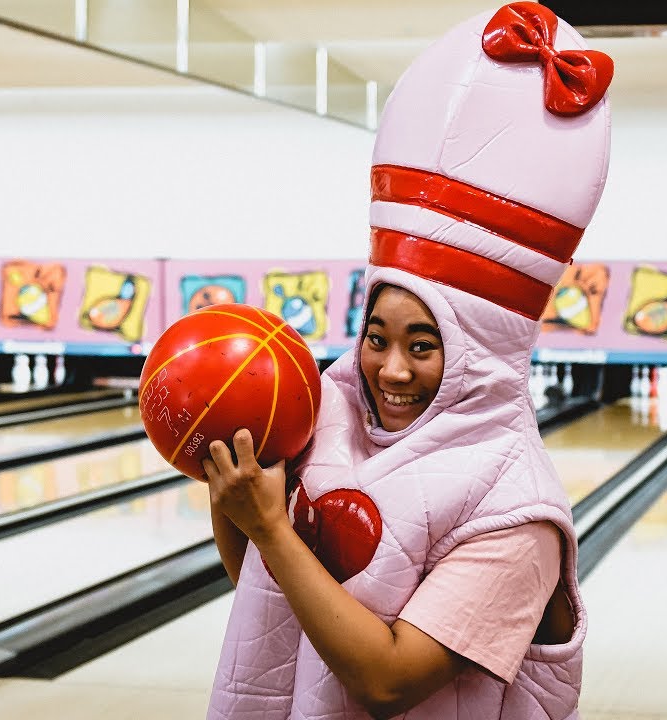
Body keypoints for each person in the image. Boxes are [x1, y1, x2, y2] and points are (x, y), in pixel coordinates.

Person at [202, 3, 613, 718]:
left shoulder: (518, 516)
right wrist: (230, 497)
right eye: (377, 337)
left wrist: (268, 524)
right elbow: (271, 594)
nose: (390, 369)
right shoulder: (330, 421)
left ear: (480, 350)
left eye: (424, 346)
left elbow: (389, 681)